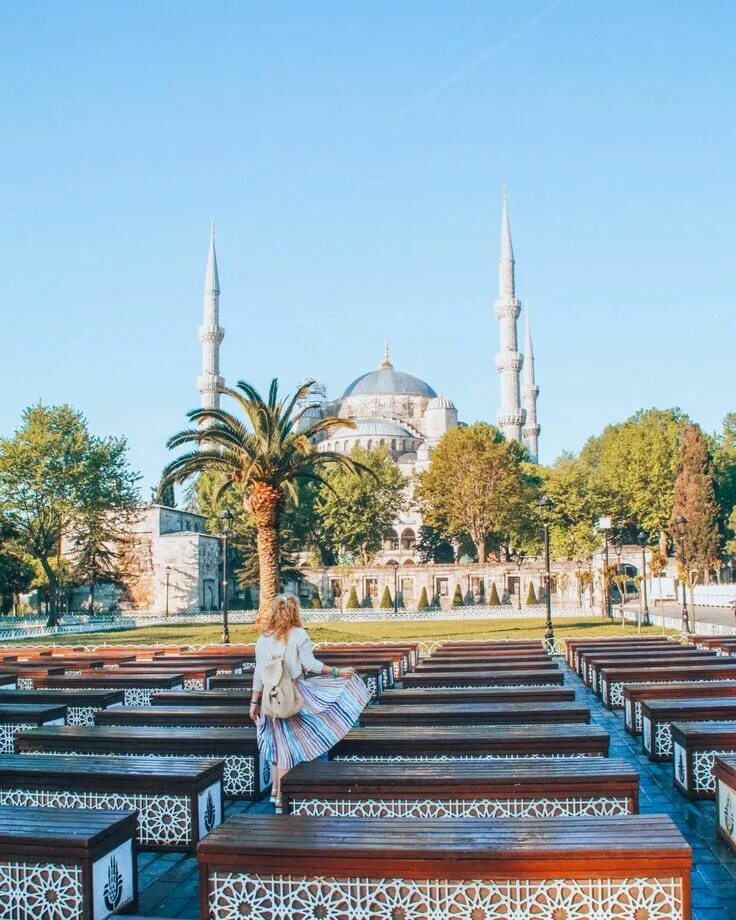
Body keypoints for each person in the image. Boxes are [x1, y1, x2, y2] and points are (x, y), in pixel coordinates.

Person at [250, 593, 370, 811]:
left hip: (270, 698)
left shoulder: (263, 639)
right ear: (294, 611)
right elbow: (310, 664)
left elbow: (259, 673)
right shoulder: (299, 635)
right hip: (293, 695)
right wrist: (336, 672)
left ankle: (275, 792)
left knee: (278, 745)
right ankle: (282, 800)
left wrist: (253, 702)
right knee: (288, 749)